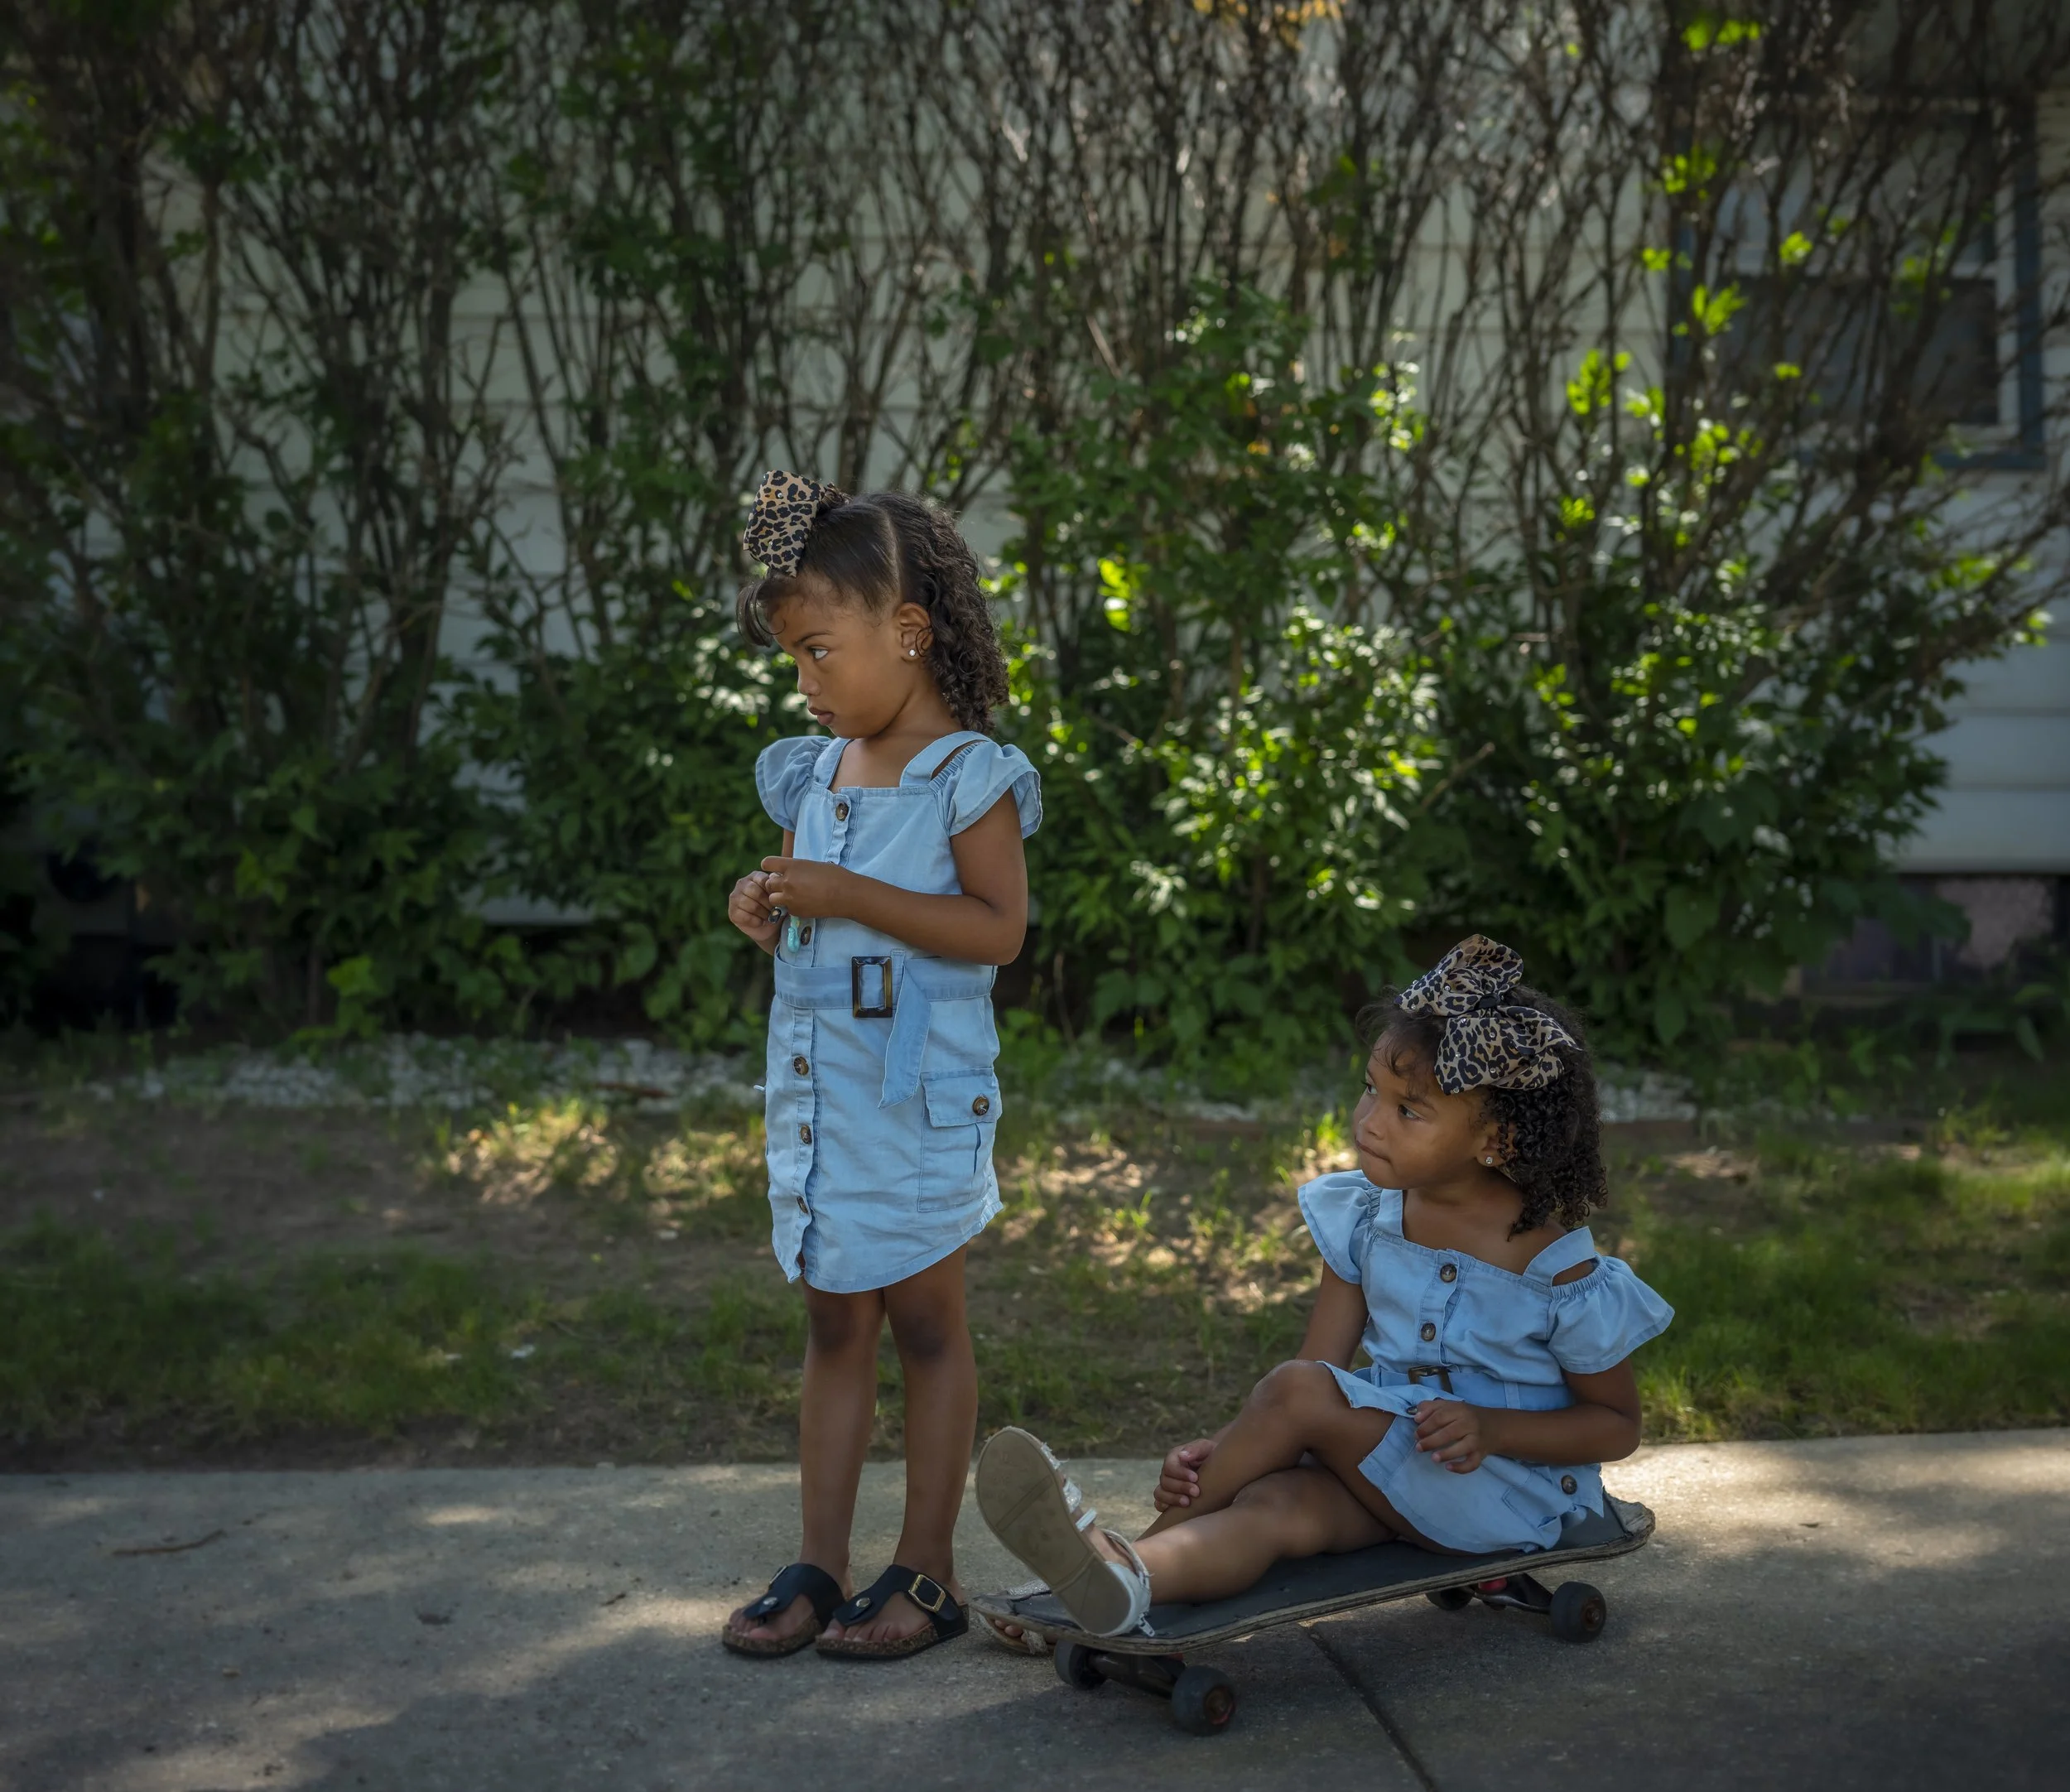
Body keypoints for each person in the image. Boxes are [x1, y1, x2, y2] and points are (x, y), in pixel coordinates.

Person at [975, 936, 1673, 1638]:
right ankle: (1122, 1582)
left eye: (1409, 1111)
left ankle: (1108, 1559)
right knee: (1273, 1507)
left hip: (1505, 1490)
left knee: (1294, 1396)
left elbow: (1616, 1425)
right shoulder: (1368, 1221)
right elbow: (1320, 1376)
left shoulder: (1557, 1272)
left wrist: (1493, 1429)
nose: (1370, 1122)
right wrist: (1228, 1454)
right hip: (1393, 1467)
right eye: (1372, 1089)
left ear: (1498, 1141)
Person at [718, 471, 1039, 1661]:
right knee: (832, 1320)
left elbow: (997, 931)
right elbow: (818, 921)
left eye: (819, 652)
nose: (805, 684)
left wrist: (847, 891)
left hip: (915, 1102)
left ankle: (929, 1567)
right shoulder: (814, 772)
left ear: (907, 631)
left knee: (926, 1325)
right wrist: (771, 908)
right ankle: (820, 1561)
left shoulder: (965, 777)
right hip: (822, 1102)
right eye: (792, 660)